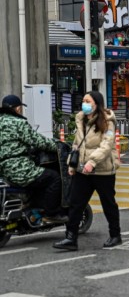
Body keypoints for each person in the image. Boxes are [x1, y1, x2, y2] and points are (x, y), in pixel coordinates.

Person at [53, 91, 121, 251]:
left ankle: (115, 235)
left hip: (102, 170)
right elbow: (77, 145)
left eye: (88, 101)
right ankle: (70, 238)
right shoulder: (81, 119)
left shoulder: (107, 121)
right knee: (76, 204)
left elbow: (106, 145)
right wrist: (72, 164)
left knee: (108, 204)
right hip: (83, 170)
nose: (84, 103)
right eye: (83, 100)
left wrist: (92, 162)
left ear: (96, 104)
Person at [0, 94, 68, 223]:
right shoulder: (18, 123)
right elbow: (38, 141)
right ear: (17, 108)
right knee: (53, 178)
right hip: (19, 169)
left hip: (3, 171)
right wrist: (58, 146)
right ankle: (52, 213)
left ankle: (31, 206)